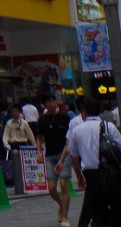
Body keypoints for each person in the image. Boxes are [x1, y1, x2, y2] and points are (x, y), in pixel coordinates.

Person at [67, 97, 121, 227]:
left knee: (98, 213)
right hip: (112, 174)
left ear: (84, 113)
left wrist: (79, 177)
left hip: (91, 176)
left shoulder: (76, 131)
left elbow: (74, 158)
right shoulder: (108, 126)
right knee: (117, 211)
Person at [38, 94, 73, 227]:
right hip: (49, 156)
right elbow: (39, 137)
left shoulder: (64, 117)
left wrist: (63, 158)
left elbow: (69, 139)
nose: (52, 103)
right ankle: (61, 205)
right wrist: (38, 151)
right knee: (51, 188)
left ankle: (65, 217)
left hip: (64, 154)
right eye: (49, 101)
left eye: (54, 101)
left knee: (63, 184)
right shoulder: (42, 120)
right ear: (44, 105)